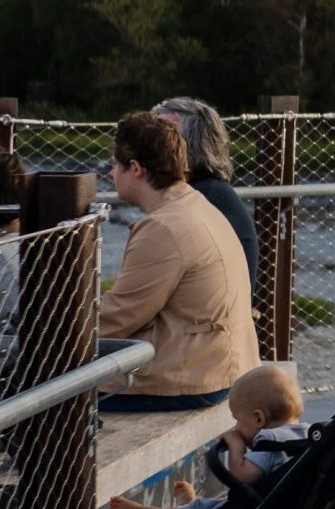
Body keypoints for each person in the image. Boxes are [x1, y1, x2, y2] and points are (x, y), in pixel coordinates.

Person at [96, 111, 260, 411]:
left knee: (51, 395)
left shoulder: (163, 228)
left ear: (135, 169)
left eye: (114, 165)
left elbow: (120, 316)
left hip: (191, 379)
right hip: (224, 366)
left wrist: (50, 332)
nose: (110, 173)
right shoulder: (197, 204)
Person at [105, 363, 305, 509]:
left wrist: (236, 447)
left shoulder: (271, 440)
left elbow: (241, 479)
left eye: (237, 420)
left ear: (259, 418)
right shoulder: (306, 435)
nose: (235, 427)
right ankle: (185, 507)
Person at [154, 95, 259, 277]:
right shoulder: (211, 192)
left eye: (160, 138)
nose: (148, 147)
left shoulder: (200, 199)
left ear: (187, 146)